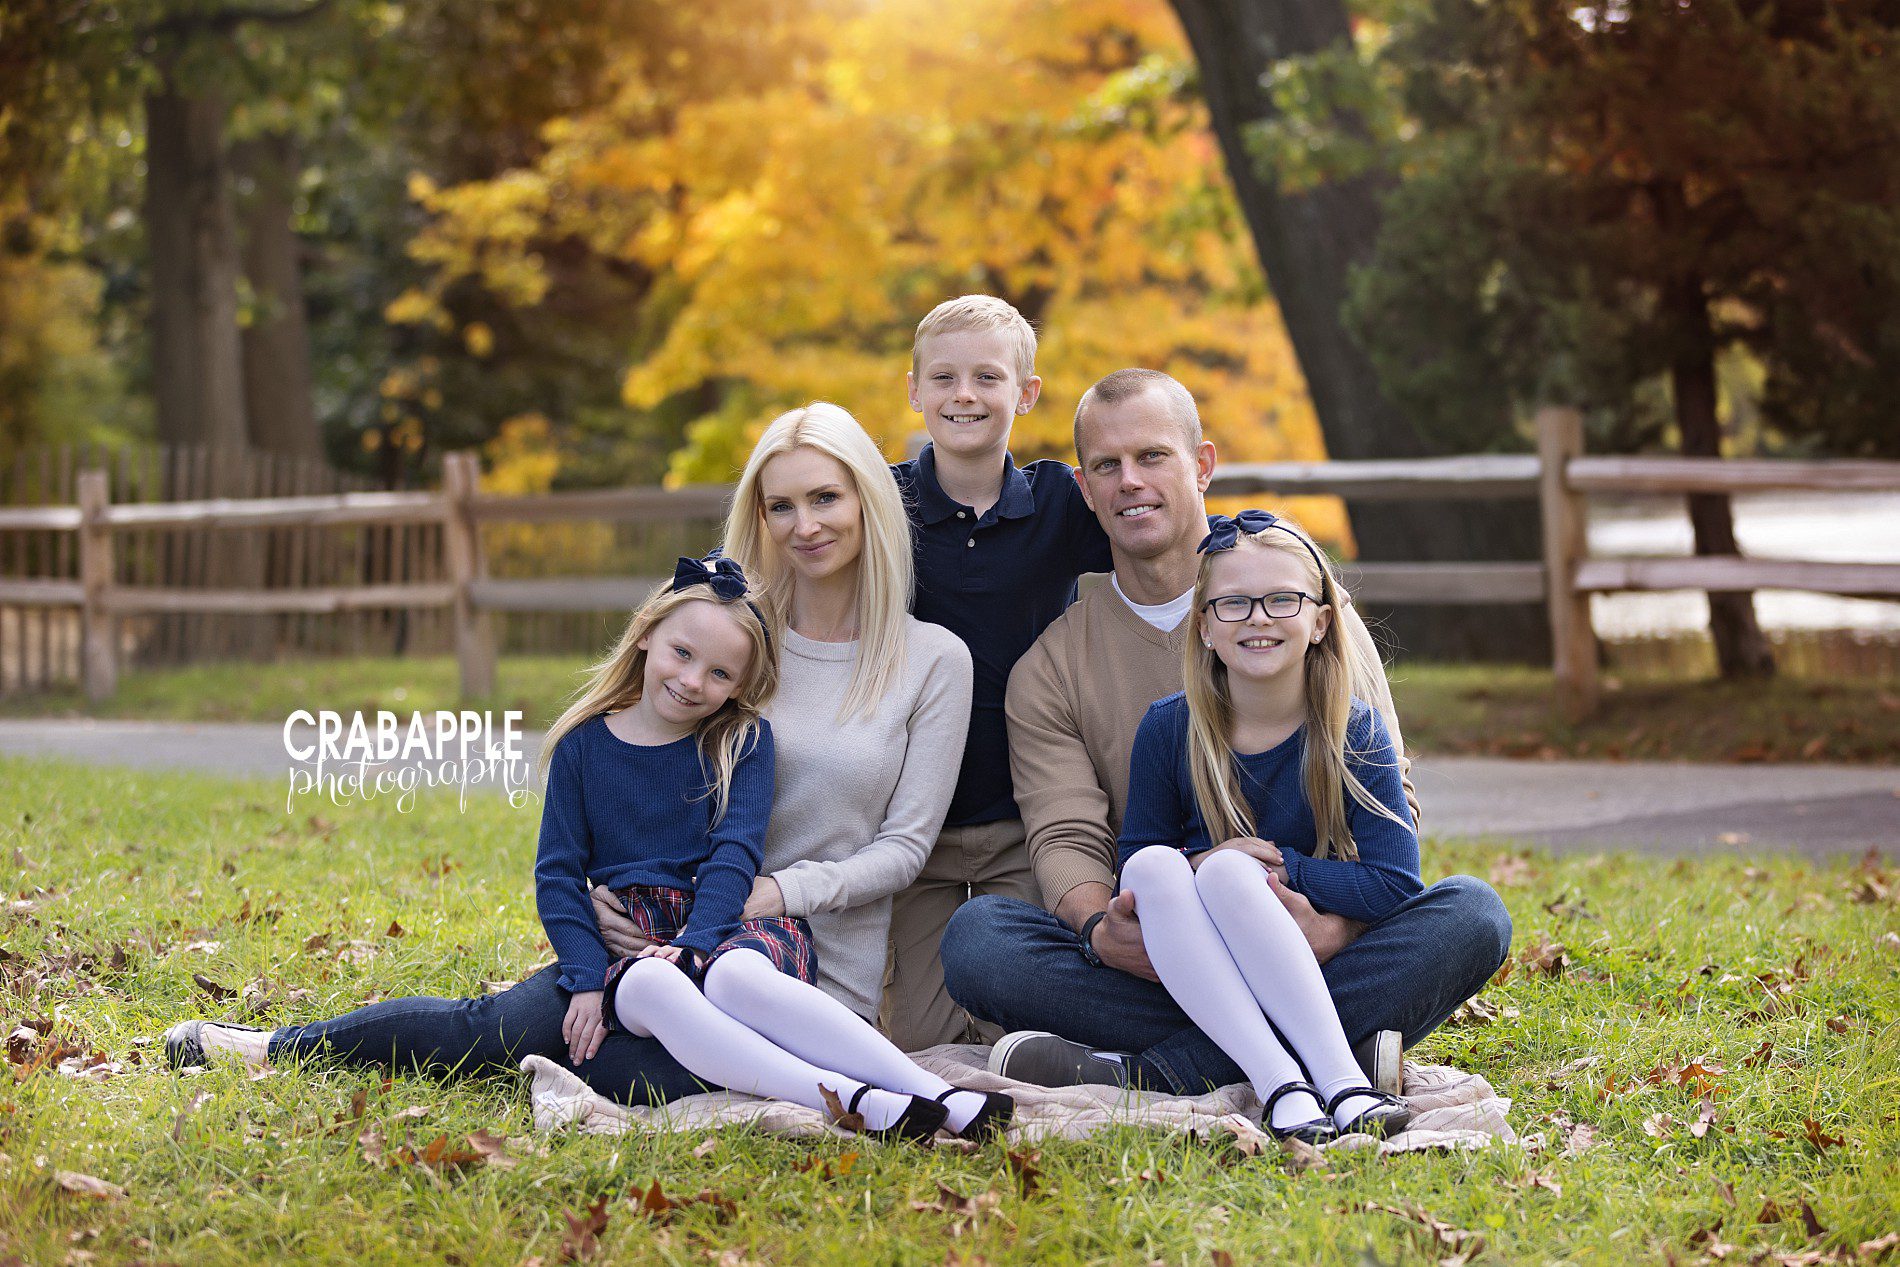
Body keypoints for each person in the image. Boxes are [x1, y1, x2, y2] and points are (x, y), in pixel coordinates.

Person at [941, 370, 1510, 1101]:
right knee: (980, 939)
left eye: (1152, 456)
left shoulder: (1307, 614)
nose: (1130, 482)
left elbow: (1390, 809)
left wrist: (1332, 932)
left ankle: (1156, 1071)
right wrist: (1100, 932)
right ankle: (1327, 1050)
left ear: (1202, 465)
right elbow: (1065, 837)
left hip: (1316, 941)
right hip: (1158, 950)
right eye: (1108, 467)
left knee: (1472, 914)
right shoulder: (1051, 666)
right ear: (1085, 488)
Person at [591, 403, 1006, 1135]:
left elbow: (905, 849)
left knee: (627, 1060)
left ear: (866, 501)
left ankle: (873, 1092)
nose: (803, 525)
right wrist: (599, 885)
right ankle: (313, 1042)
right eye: (780, 505)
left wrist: (778, 892)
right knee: (511, 1025)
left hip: (807, 972)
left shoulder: (933, 659)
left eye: (824, 498)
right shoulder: (733, 641)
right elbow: (643, 772)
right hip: (677, 936)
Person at [1113, 509, 1416, 1140]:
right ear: (1203, 627)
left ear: (1320, 622)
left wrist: (1282, 869)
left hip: (1322, 957)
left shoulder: (1353, 731)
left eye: (1282, 599)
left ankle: (1335, 1082)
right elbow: (1139, 861)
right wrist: (1204, 870)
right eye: (1234, 604)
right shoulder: (1170, 727)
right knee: (1000, 933)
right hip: (1195, 961)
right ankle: (1284, 1079)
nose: (1258, 617)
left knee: (1473, 913)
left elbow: (1396, 884)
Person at [881, 294, 1113, 1051]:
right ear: (914, 390)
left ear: (1026, 392)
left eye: (988, 376)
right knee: (923, 1038)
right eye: (943, 378)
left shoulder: (1059, 502)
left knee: (1025, 1018)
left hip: (1027, 817)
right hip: (914, 824)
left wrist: (1252, 539)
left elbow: (1160, 533)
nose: (965, 395)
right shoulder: (881, 504)